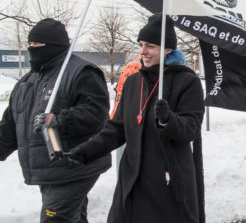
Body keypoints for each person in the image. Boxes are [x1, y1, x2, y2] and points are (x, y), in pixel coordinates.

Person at [70, 13, 205, 222]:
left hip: (166, 183)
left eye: (150, 45)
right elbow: (116, 129)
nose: (143, 51)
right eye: (141, 44)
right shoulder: (134, 82)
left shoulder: (186, 81)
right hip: (132, 180)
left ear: (168, 49)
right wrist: (84, 152)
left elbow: (191, 129)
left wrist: (168, 120)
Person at [0, 18, 111, 222]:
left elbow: (96, 113)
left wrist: (60, 121)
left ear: (54, 45)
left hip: (75, 165)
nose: (32, 49)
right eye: (30, 44)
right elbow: (10, 127)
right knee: (73, 218)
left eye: (37, 45)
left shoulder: (81, 72)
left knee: (55, 218)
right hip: (48, 169)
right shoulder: (27, 82)